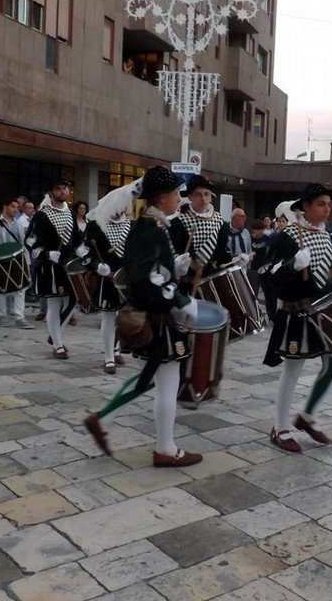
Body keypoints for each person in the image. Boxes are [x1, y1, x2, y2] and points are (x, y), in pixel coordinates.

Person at [84, 166, 203, 467]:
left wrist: (173, 268)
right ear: (162, 196)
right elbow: (148, 279)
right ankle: (165, 448)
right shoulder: (151, 229)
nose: (179, 198)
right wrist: (180, 299)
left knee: (151, 377)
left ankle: (105, 419)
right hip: (158, 317)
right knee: (167, 381)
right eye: (176, 193)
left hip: (153, 313)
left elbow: (147, 271)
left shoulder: (146, 225)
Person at [263, 183, 332, 452]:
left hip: (322, 311)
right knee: (293, 370)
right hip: (296, 311)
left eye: (329, 204)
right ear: (305, 207)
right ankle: (280, 427)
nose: (327, 209)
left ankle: (306, 417)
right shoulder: (288, 236)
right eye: (321, 204)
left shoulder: (325, 234)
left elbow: (320, 273)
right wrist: (293, 265)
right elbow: (272, 277)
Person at [83, 183, 136, 374]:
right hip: (106, 278)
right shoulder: (96, 225)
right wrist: (97, 266)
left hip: (126, 278)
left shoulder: (132, 225)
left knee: (122, 317)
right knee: (108, 316)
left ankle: (115, 348)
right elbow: (84, 251)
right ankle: (108, 358)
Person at [26, 179, 81, 359]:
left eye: (65, 188)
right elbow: (30, 241)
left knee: (72, 301)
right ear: (50, 192)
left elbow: (76, 238)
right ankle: (58, 344)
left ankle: (55, 333)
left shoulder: (71, 214)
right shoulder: (41, 215)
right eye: (59, 189)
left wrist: (81, 249)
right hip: (49, 266)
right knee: (54, 304)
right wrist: (47, 254)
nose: (63, 191)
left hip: (67, 264)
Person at [169, 175, 230, 290]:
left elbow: (223, 254)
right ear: (190, 197)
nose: (203, 198)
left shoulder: (221, 222)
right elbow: (172, 253)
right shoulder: (178, 223)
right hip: (187, 286)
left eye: (207, 194)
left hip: (213, 285)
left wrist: (236, 260)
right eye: (198, 194)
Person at [0, 198, 33, 330]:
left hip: (17, 260)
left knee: (21, 289)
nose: (15, 209)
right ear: (5, 207)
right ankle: (2, 316)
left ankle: (19, 317)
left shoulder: (19, 225)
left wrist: (27, 262)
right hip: (0, 261)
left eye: (16, 207)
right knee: (1, 290)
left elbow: (23, 244)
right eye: (13, 207)